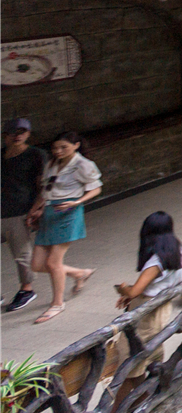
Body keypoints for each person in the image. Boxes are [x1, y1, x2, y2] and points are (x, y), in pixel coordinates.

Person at [29, 131, 101, 323]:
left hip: (68, 212)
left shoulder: (83, 164)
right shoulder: (51, 164)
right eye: (55, 148)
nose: (58, 151)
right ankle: (79, 273)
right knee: (36, 264)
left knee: (53, 263)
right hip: (49, 211)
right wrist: (36, 210)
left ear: (76, 145)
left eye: (64, 147)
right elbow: (46, 191)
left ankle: (57, 303)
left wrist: (77, 202)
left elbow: (96, 188)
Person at [2, 118, 47, 313]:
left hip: (20, 210)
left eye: (22, 131)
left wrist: (37, 207)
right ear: (6, 136)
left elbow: (45, 185)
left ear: (28, 133)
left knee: (21, 254)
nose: (18, 135)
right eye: (14, 132)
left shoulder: (36, 155)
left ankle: (26, 289)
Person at [114, 211, 182, 310]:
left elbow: (134, 292)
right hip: (163, 301)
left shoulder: (156, 262)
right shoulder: (177, 248)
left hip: (149, 306)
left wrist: (124, 288)